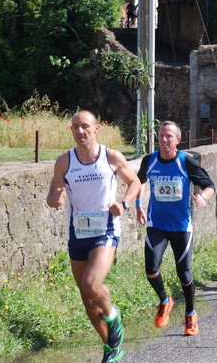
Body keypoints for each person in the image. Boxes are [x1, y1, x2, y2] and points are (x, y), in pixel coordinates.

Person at [46, 110, 141, 362]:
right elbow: (52, 197)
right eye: (75, 127)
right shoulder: (64, 161)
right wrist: (55, 199)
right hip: (78, 234)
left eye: (85, 126)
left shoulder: (110, 156)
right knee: (88, 299)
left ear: (96, 128)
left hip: (105, 232)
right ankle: (112, 348)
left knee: (91, 283)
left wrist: (124, 204)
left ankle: (112, 314)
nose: (80, 131)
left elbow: (135, 183)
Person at [136, 121, 215, 337]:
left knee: (184, 274)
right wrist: (138, 205)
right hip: (156, 224)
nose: (164, 140)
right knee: (151, 269)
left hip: (181, 226)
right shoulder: (149, 160)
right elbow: (139, 182)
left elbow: (210, 185)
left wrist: (202, 197)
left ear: (178, 140)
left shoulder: (185, 162)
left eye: (169, 136)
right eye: (161, 135)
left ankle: (190, 314)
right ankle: (164, 299)